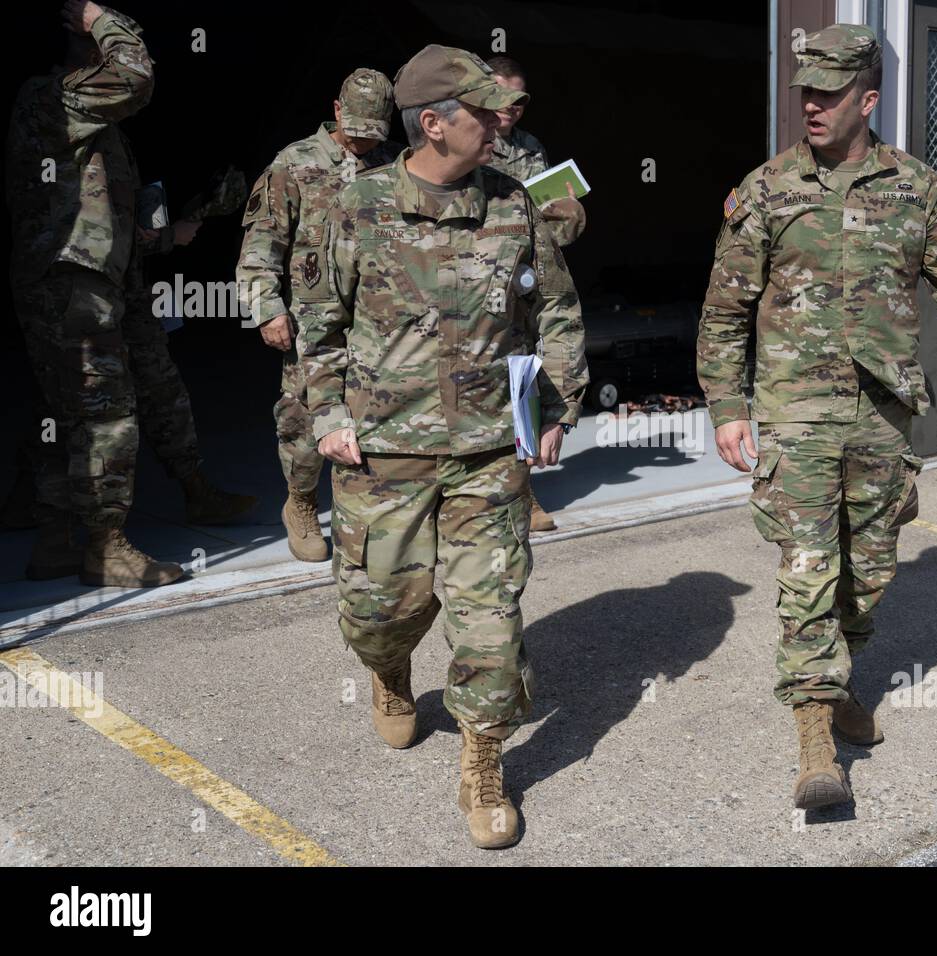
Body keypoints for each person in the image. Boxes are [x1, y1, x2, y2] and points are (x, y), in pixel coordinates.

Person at [696, 24, 937, 809]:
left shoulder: (919, 188)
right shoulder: (765, 189)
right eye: (806, 92)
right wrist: (728, 405)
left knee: (868, 573)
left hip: (884, 412)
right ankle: (814, 741)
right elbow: (725, 310)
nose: (813, 107)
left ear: (868, 99)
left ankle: (839, 684)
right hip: (795, 411)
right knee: (807, 572)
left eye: (830, 94)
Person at [297, 45, 587, 849]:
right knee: (378, 613)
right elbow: (319, 324)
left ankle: (484, 762)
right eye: (483, 110)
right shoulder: (358, 206)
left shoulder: (514, 205)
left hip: (489, 455)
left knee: (490, 621)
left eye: (501, 109)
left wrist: (556, 405)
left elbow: (556, 311)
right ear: (432, 123)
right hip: (383, 454)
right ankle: (391, 673)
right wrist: (327, 415)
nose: (501, 122)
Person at [6, 0, 255, 588]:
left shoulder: (92, 127)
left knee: (72, 411)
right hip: (71, 283)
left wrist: (161, 234)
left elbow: (100, 219)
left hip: (93, 281)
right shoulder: (52, 95)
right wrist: (98, 17)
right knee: (104, 414)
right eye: (112, 44)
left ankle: (59, 543)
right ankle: (104, 546)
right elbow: (136, 75)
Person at [237, 69, 399, 562]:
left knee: (379, 411)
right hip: (313, 316)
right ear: (335, 110)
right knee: (304, 418)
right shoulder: (295, 164)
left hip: (379, 315)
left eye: (375, 131)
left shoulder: (394, 164)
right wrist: (267, 308)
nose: (364, 140)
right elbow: (261, 245)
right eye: (356, 128)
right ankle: (301, 502)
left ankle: (370, 508)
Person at [484, 55, 586, 533]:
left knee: (521, 378)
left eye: (522, 100)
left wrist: (563, 216)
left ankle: (523, 491)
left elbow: (546, 211)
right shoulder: (466, 143)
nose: (515, 108)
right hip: (477, 276)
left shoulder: (529, 147)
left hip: (523, 281)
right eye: (507, 97)